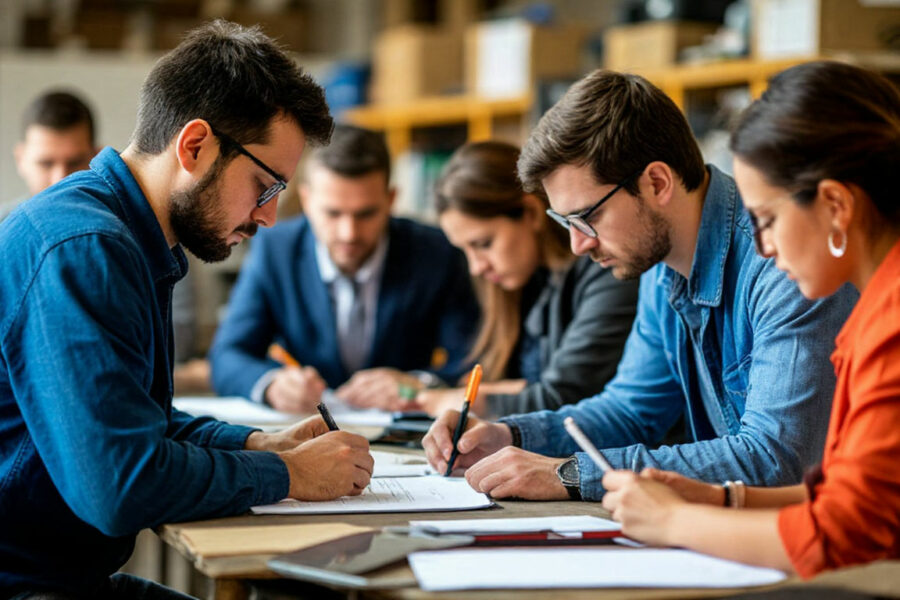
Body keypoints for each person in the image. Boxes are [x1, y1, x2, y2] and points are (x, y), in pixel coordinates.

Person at [0, 21, 374, 599]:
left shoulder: (124, 234)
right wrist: (291, 474)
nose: (270, 217)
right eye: (266, 186)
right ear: (195, 146)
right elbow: (117, 483)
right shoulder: (85, 246)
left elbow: (129, 424)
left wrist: (257, 446)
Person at [422, 68, 858, 502]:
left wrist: (570, 475)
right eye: (565, 222)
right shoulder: (657, 263)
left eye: (587, 217)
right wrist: (510, 435)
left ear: (656, 182)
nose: (577, 245)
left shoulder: (784, 259)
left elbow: (778, 459)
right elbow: (631, 411)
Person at [602, 61, 900, 578]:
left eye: (767, 219)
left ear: (835, 205)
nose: (761, 245)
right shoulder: (872, 309)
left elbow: (841, 532)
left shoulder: (891, 324)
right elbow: (850, 492)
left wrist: (674, 522)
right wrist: (725, 498)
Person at [209, 124, 479, 413]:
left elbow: (471, 359)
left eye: (366, 214)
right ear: (308, 201)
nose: (349, 233)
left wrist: (416, 386)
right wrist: (272, 384)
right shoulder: (275, 250)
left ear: (390, 201)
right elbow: (227, 355)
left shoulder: (436, 252)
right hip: (308, 427)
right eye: (333, 213)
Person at [417, 140, 639, 418]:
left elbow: (565, 396)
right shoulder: (520, 281)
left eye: (484, 243)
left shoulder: (607, 269)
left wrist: (453, 401)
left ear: (532, 213)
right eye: (465, 251)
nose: (476, 267)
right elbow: (484, 377)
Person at [2, 90, 97, 219]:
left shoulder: (125, 231)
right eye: (46, 164)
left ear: (97, 159)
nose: (60, 179)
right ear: (20, 160)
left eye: (74, 163)